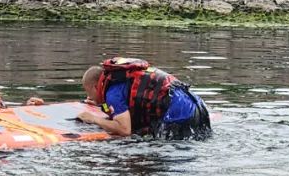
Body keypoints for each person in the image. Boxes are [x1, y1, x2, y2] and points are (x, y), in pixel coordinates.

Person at [76, 57, 211, 140]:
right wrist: (100, 104)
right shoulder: (118, 79)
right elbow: (117, 108)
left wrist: (93, 119)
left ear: (95, 87)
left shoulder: (112, 94)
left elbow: (124, 130)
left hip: (179, 115)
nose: (89, 96)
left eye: (88, 92)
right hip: (195, 105)